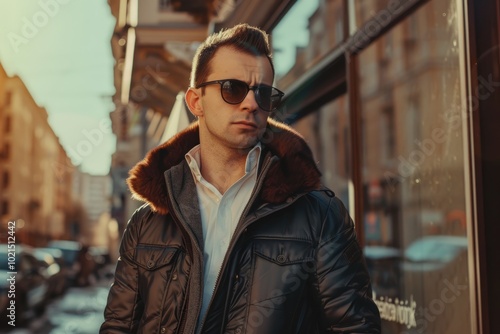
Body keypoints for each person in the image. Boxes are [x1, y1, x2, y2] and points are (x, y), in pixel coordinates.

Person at [100, 23, 381, 333]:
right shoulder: (146, 224)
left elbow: (356, 327)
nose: (251, 104)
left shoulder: (321, 217)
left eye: (262, 92)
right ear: (196, 102)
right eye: (232, 88)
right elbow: (118, 326)